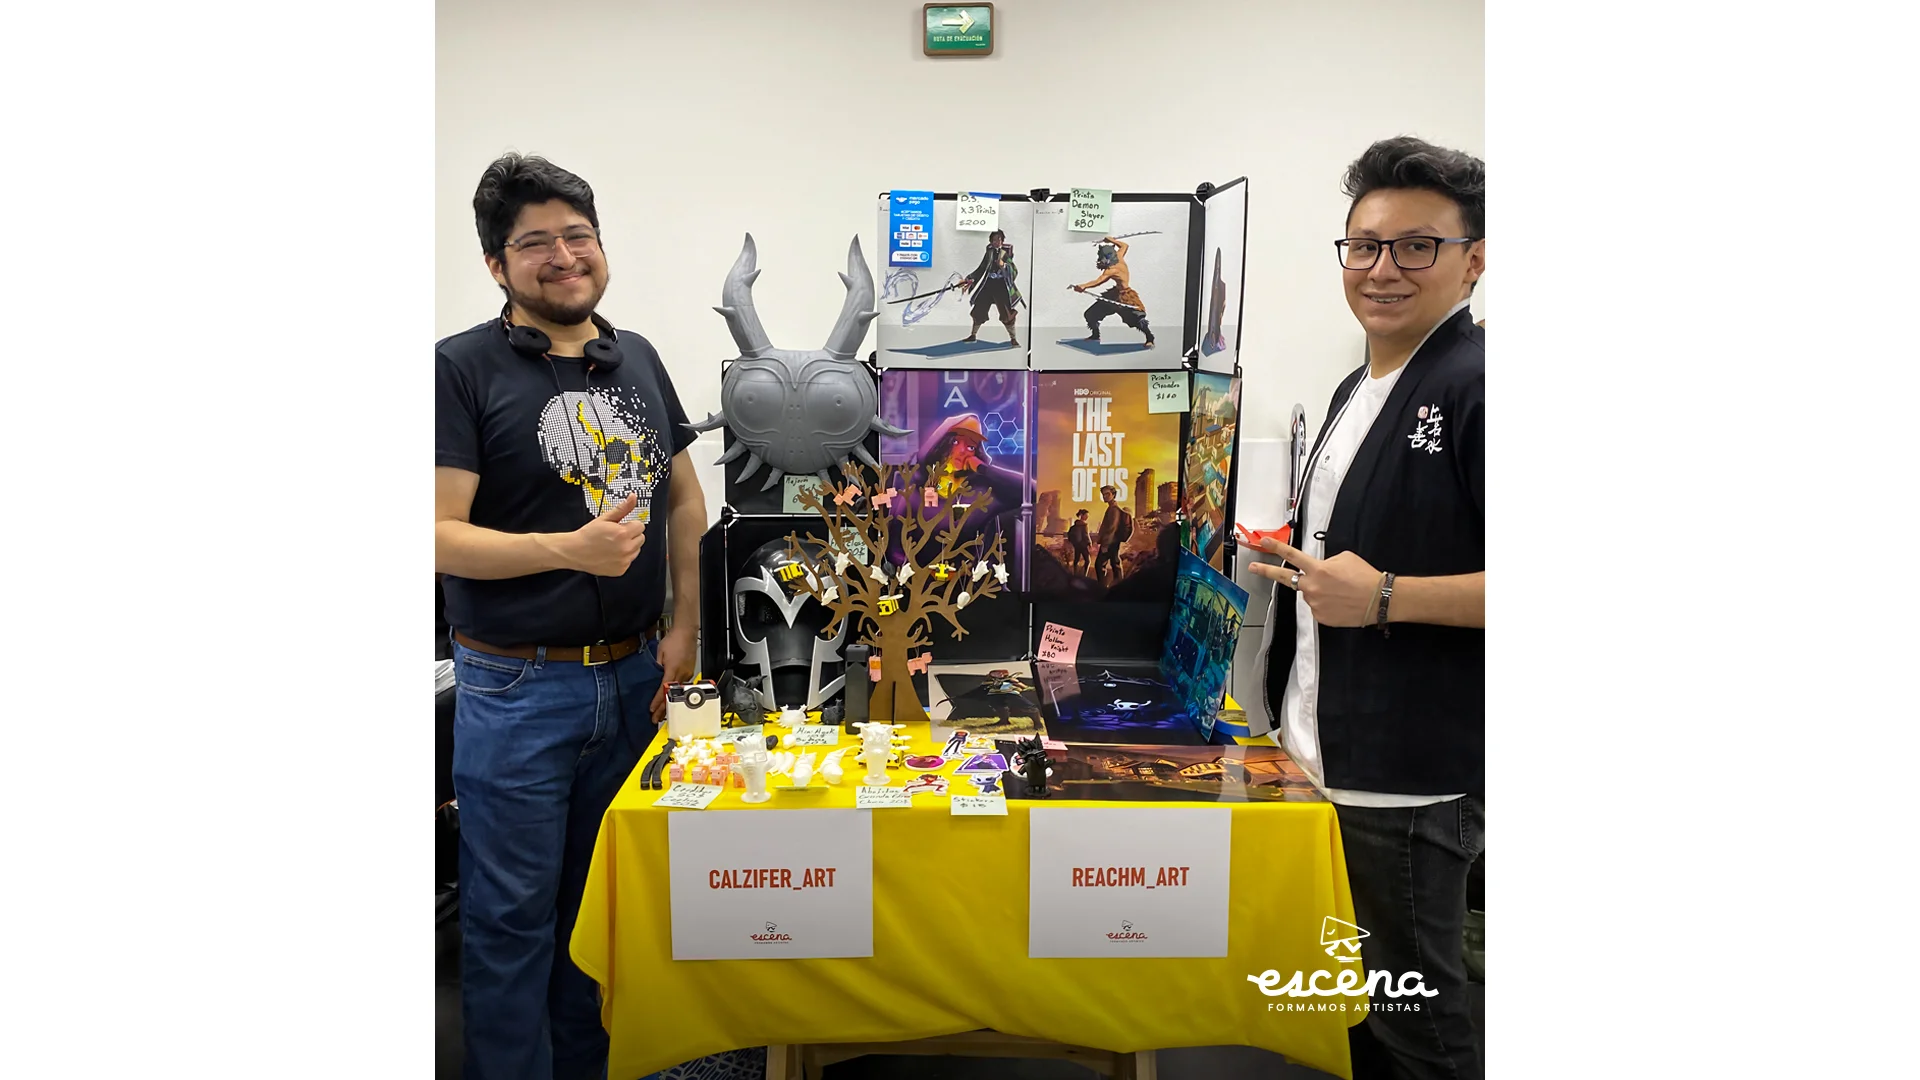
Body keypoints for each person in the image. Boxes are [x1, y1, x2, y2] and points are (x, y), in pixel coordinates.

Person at [435, 153, 706, 1080]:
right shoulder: (460, 369)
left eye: (578, 235)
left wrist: (684, 629)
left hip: (634, 676)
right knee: (511, 918)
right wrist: (568, 550)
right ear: (497, 264)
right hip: (517, 685)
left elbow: (683, 502)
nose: (563, 256)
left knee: (601, 914)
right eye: (535, 242)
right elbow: (438, 535)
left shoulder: (638, 358)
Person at [1250, 136, 1486, 1080]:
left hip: (1408, 780)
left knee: (1418, 1026)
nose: (1383, 269)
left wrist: (1386, 596)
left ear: (1474, 260)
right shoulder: (1361, 384)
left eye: (1417, 246)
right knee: (1352, 1007)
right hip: (1325, 754)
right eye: (1365, 245)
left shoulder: (1478, 386)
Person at [1070, 235, 1153, 347]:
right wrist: (1111, 240)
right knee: (1091, 314)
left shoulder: (1112, 269)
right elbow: (1124, 246)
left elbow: (1099, 281)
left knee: (1137, 318)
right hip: (1113, 294)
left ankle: (1150, 338)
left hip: (1125, 297)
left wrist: (1084, 286)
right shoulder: (1119, 255)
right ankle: (1095, 335)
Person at [957, 229, 1021, 345]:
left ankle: (1013, 338)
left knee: (1006, 313)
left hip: (1001, 286)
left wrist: (1004, 266)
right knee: (979, 309)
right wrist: (969, 279)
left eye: (999, 239)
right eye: (994, 240)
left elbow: (1014, 270)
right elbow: (981, 268)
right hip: (989, 285)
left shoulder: (1005, 254)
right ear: (991, 241)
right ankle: (973, 335)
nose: (997, 242)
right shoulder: (989, 253)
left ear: (1002, 241)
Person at [1091, 485, 1129, 582]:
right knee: (1115, 563)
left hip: (1110, 542)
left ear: (1113, 495)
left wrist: (1105, 545)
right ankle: (1118, 585)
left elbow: (1112, 528)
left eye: (1107, 494)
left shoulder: (1113, 510)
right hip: (1113, 541)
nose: (1105, 496)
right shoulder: (1112, 508)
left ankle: (1103, 586)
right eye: (1103, 494)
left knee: (1100, 565)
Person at [1066, 509, 1092, 573]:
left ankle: (1075, 573)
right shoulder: (1084, 525)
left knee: (1076, 559)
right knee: (1088, 561)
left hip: (1077, 545)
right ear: (1082, 515)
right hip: (1083, 545)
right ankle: (1085, 574)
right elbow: (1086, 535)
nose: (1087, 517)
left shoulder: (1075, 525)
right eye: (1086, 515)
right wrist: (1089, 543)